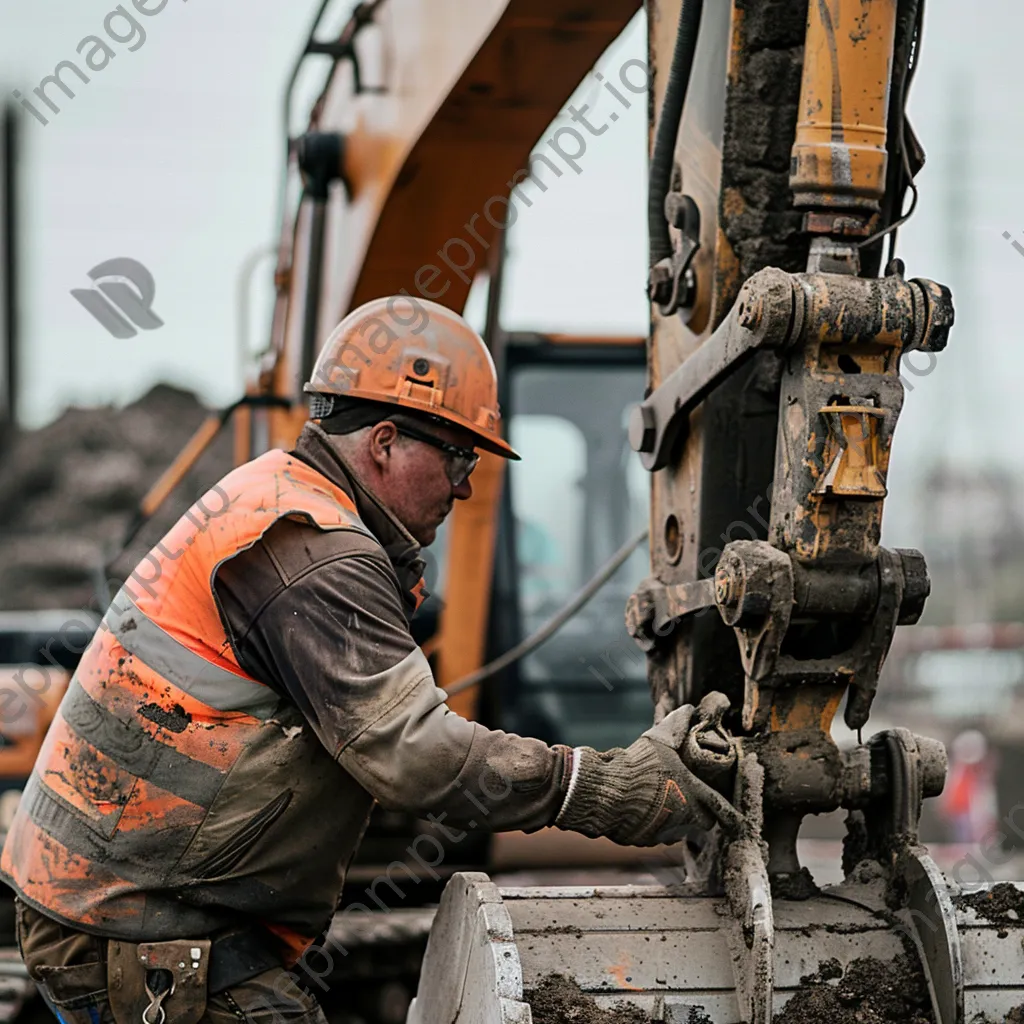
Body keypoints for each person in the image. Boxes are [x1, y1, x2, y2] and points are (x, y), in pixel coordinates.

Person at [0, 297, 732, 1024]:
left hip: (123, 904)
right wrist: (602, 787)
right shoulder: (313, 548)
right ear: (384, 442)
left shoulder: (279, 498)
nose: (466, 484)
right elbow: (415, 757)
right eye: (456, 454)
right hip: (134, 926)